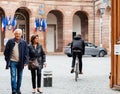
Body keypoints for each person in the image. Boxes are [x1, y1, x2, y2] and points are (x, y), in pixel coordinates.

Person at [4, 28, 28, 94]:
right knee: (13, 76)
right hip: (12, 62)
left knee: (20, 77)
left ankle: (18, 89)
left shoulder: (24, 42)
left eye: (19, 34)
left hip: (21, 62)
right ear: (14, 34)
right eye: (16, 33)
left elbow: (26, 53)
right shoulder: (10, 41)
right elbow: (6, 52)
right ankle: (14, 90)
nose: (18, 35)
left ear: (21, 35)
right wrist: (7, 60)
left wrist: (26, 62)